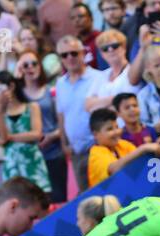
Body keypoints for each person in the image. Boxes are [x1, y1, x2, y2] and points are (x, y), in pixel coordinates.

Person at [54, 33, 107, 192]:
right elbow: (61, 114)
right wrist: (64, 144)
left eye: (74, 53)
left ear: (83, 53)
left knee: (105, 190)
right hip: (76, 151)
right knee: (86, 196)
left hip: (98, 146)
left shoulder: (99, 77)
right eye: (64, 55)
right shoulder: (60, 83)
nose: (70, 57)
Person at [17, 49, 67, 204]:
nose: (30, 67)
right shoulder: (17, 96)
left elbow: (62, 121)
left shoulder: (51, 91)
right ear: (20, 70)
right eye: (25, 65)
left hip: (54, 152)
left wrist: (51, 136)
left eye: (34, 63)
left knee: (59, 198)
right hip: (29, 156)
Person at [0, 70, 52, 195]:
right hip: (11, 162)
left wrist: (10, 138)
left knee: (40, 196)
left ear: (11, 86)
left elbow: (36, 134)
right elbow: (2, 136)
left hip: (32, 159)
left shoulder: (32, 107)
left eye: (0, 88)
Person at [87, 105, 160, 185]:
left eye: (117, 127)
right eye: (110, 129)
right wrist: (142, 148)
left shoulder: (122, 144)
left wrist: (159, 143)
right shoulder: (95, 154)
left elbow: (142, 160)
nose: (117, 132)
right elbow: (113, 170)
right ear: (95, 134)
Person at [84, 28, 137, 110]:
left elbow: (129, 100)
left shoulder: (132, 71)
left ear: (124, 47)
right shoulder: (100, 76)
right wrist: (115, 99)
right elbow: (88, 105)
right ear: (101, 54)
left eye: (114, 46)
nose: (110, 50)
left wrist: (99, 102)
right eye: (105, 48)